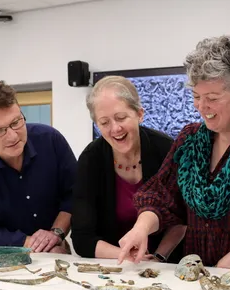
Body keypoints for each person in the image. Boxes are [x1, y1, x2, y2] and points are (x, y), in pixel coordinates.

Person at [117, 35, 230, 270]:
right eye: (197, 97)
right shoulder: (190, 139)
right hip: (199, 276)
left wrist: (214, 276)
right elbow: (162, 196)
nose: (201, 106)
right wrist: (141, 229)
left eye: (212, 98)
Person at [0, 81, 76, 253]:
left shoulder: (50, 140)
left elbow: (75, 195)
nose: (12, 136)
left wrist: (56, 234)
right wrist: (34, 244)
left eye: (16, 122)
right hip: (2, 256)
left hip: (54, 247)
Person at [71, 76, 186, 261]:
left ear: (140, 114)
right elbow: (82, 238)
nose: (115, 128)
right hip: (115, 265)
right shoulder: (90, 159)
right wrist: (128, 257)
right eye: (104, 122)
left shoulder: (166, 150)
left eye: (121, 117)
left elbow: (182, 219)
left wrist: (157, 258)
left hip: (166, 263)